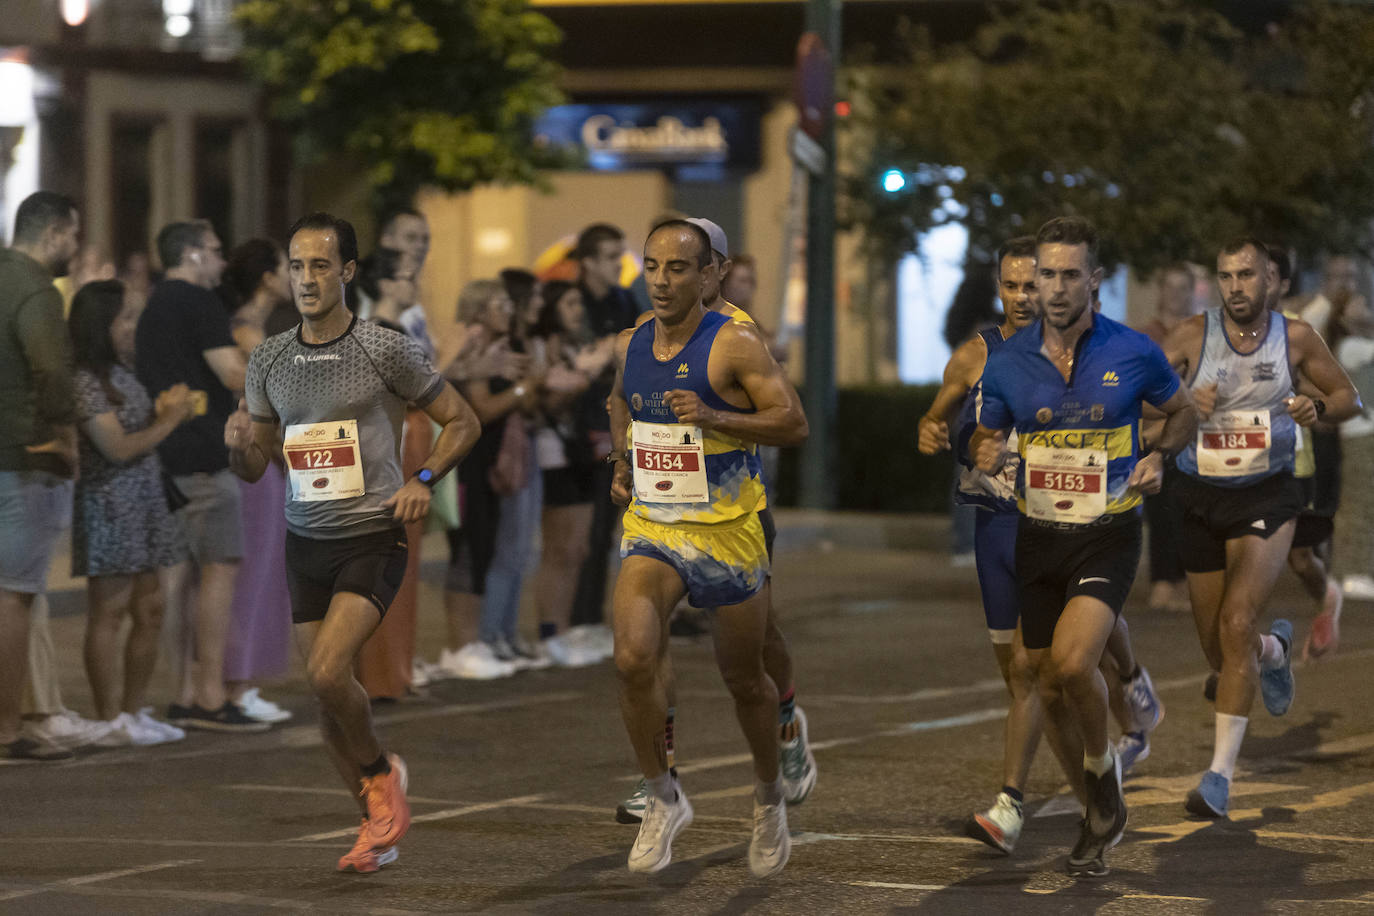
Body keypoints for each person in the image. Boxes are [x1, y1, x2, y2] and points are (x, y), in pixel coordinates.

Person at [226, 211, 480, 873]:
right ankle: (376, 822)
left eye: (319, 265)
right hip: (305, 536)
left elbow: (462, 421)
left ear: (347, 272)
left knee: (327, 671)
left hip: (373, 533)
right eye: (297, 266)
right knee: (326, 697)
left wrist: (423, 477)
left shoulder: (384, 348)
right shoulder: (270, 358)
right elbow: (256, 464)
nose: (307, 279)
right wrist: (240, 449)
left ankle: (380, 772)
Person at [971, 216, 1197, 877]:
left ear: (1094, 281)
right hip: (1039, 534)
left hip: (1109, 533)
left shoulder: (1132, 351)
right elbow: (987, 436)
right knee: (1038, 672)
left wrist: (1159, 454)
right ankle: (1099, 795)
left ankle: (1101, 779)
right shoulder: (1008, 364)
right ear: (1033, 281)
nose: (1059, 287)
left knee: (1072, 667)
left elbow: (1182, 412)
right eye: (1048, 274)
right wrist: (981, 449)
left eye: (1072, 274)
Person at [608, 219, 808, 876]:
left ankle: (768, 797)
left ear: (706, 275)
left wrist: (715, 416)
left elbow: (792, 422)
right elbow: (620, 402)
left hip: (726, 530)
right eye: (653, 267)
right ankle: (664, 795)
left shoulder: (736, 343)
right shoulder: (632, 341)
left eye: (677, 269)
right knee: (633, 656)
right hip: (655, 526)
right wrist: (621, 461)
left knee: (743, 678)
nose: (662, 280)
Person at [1159, 237, 1361, 819]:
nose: (1236, 287)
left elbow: (1349, 395)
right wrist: (1181, 403)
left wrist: (1316, 409)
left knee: (1237, 618)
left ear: (1269, 280)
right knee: (1220, 653)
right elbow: (1141, 405)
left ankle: (1218, 777)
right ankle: (1274, 651)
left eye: (1246, 275)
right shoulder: (1191, 337)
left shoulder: (1295, 337)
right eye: (1226, 277)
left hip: (1269, 492)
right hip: (1199, 494)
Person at [136, 219, 263, 732]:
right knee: (218, 569)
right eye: (213, 251)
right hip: (206, 454)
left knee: (181, 580)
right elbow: (235, 373)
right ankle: (210, 694)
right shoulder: (198, 302)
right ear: (190, 255)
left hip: (166, 452)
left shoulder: (155, 304)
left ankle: (185, 692)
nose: (221, 260)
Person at [68, 280, 192, 745]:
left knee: (151, 608)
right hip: (110, 505)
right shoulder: (83, 379)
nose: (131, 327)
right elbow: (116, 448)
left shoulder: (122, 371)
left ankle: (132, 711)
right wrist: (169, 420)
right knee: (110, 612)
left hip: (144, 503)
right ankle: (107, 719)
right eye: (124, 318)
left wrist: (161, 414)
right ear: (101, 324)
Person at [0, 191, 82, 760]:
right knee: (14, 597)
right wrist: (63, 434)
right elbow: (51, 368)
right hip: (26, 457)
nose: (74, 249)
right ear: (54, 233)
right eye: (72, 237)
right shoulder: (36, 291)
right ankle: (7, 727)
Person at [437, 279, 538, 679]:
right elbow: (481, 406)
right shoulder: (473, 345)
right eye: (498, 303)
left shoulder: (500, 347)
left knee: (483, 549)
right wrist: (523, 388)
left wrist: (521, 388)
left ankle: (473, 641)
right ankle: (460, 646)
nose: (507, 309)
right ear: (477, 310)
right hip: (467, 461)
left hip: (487, 461)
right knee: (467, 549)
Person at [219, 239, 296, 723]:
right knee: (253, 575)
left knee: (266, 574)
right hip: (256, 463)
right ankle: (236, 684)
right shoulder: (247, 335)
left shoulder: (258, 332)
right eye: (290, 267)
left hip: (272, 463)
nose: (299, 277)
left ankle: (243, 682)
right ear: (267, 277)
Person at [526, 280, 614, 667]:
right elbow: (548, 400)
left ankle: (565, 629)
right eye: (571, 302)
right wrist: (583, 375)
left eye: (581, 301)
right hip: (554, 452)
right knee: (559, 549)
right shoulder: (545, 347)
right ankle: (550, 632)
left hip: (580, 452)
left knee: (578, 548)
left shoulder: (579, 344)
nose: (579, 310)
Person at [1266, 246, 1344, 662]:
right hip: (1237, 463)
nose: (1247, 284)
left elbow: (1333, 393)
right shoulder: (1219, 332)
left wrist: (1303, 399)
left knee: (1298, 557)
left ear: (1281, 284)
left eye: (1262, 274)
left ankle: (1327, 594)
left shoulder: (1299, 333)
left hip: (1293, 460)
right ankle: (1239, 647)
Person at [569, 223, 640, 654]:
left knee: (614, 528)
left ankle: (599, 617)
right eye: (612, 256)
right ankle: (579, 618)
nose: (620, 264)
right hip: (582, 430)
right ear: (589, 261)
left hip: (619, 425)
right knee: (585, 532)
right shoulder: (573, 302)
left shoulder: (624, 301)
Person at [1136, 264, 1196, 613]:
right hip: (1155, 436)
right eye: (1170, 286)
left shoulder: (1200, 333)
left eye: (1183, 287)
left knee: (1190, 513)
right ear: (1160, 291)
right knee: (1162, 512)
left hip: (1195, 438)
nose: (1176, 293)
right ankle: (1162, 583)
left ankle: (1185, 582)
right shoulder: (1146, 336)